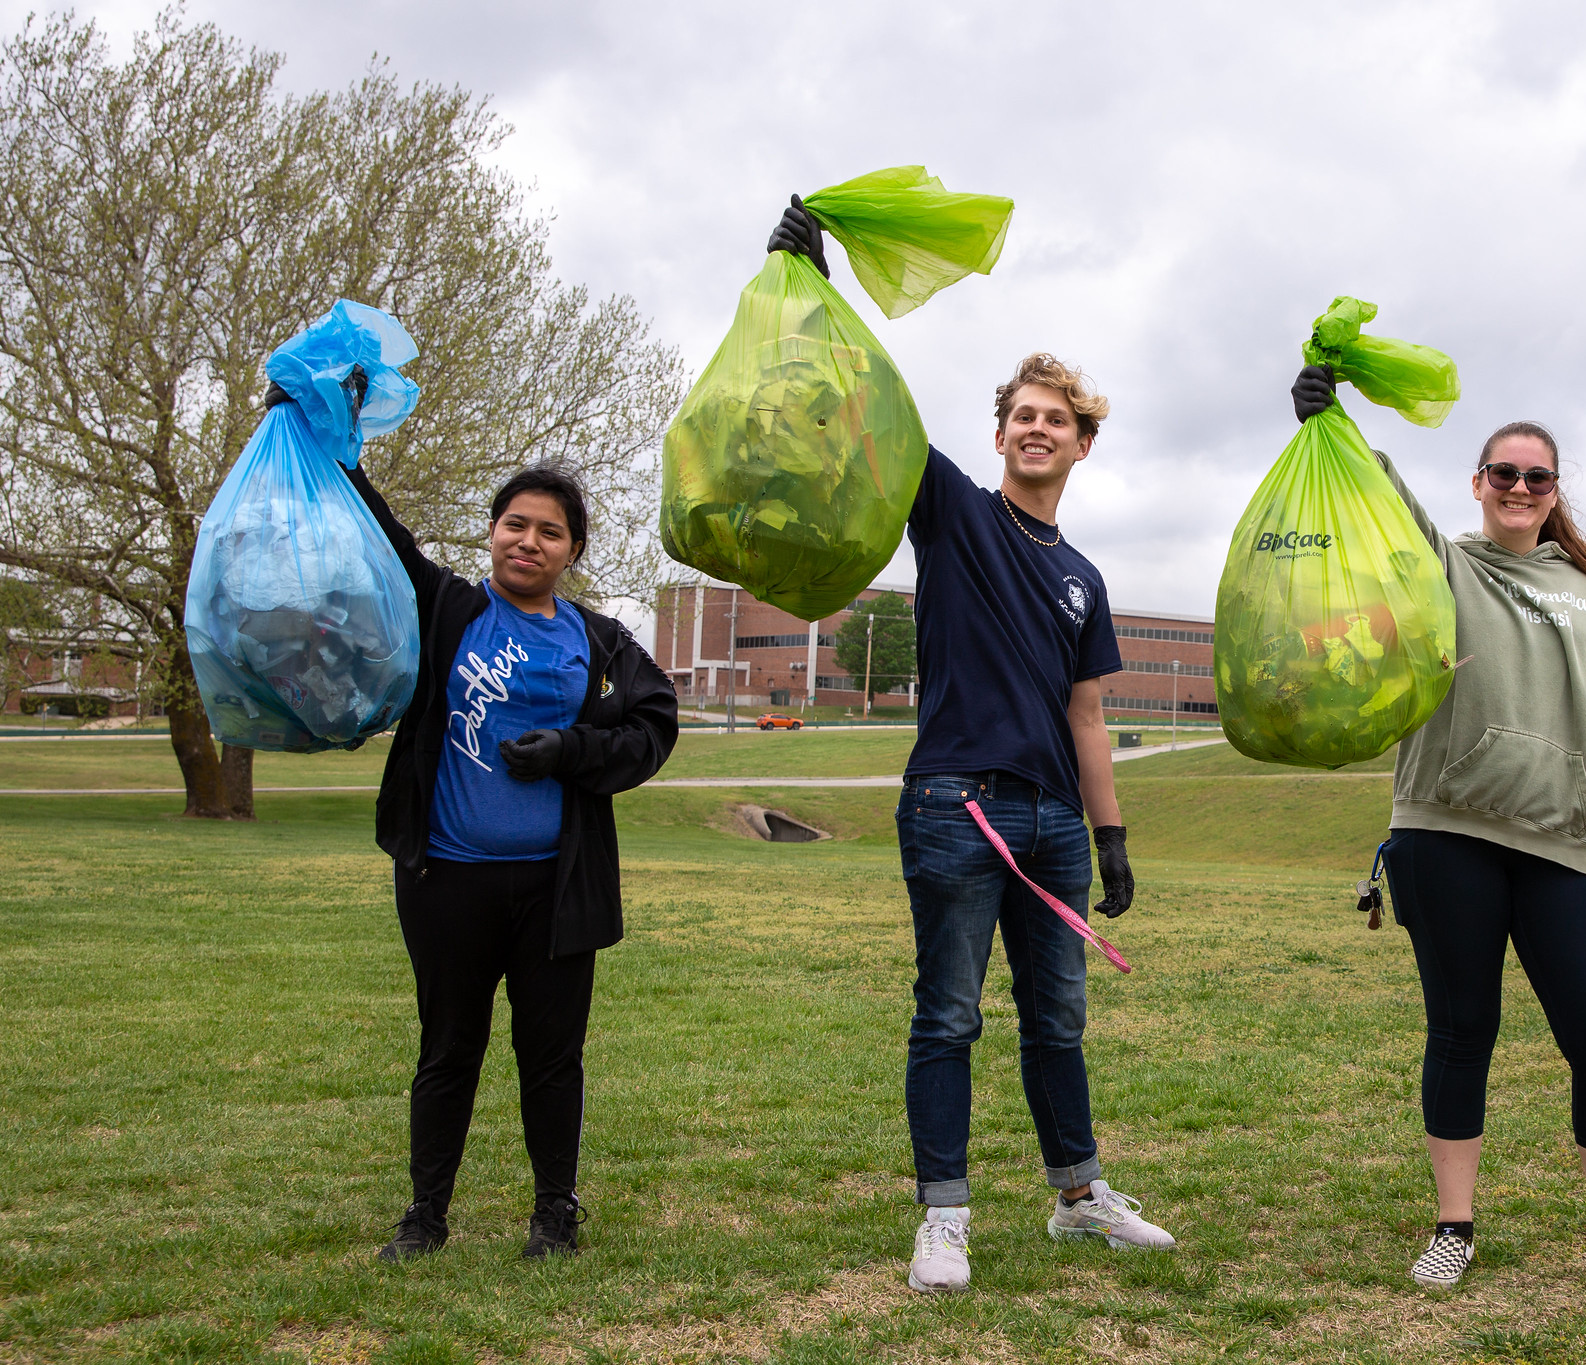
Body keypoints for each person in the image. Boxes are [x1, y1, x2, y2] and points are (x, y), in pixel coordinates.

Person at [768, 200, 1175, 1294]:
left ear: (1083, 443)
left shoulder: (1084, 577)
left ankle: (1079, 1199)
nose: (1037, 429)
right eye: (1021, 416)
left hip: (1053, 826)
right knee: (946, 1016)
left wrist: (1111, 836)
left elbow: (1088, 715)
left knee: (1058, 1021)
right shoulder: (951, 510)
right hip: (956, 807)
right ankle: (942, 1219)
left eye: (1058, 419)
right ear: (998, 435)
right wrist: (819, 286)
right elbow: (874, 405)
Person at [1291, 368, 1586, 1294]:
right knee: (1463, 1028)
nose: (1518, 489)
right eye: (1501, 474)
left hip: (1570, 847)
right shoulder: (1444, 563)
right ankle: (1454, 1227)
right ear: (1476, 484)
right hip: (1447, 833)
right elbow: (1387, 502)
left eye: (1536, 478)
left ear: (1555, 492)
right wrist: (1334, 422)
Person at [323, 426, 679, 1262]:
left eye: (550, 530)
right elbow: (382, 536)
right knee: (448, 1047)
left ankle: (555, 1212)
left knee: (552, 1056)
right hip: (447, 878)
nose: (529, 540)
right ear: (492, 532)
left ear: (574, 550)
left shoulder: (599, 641)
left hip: (557, 889)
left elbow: (653, 725)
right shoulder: (447, 607)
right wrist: (328, 441)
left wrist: (572, 752)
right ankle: (424, 1216)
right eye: (515, 523)